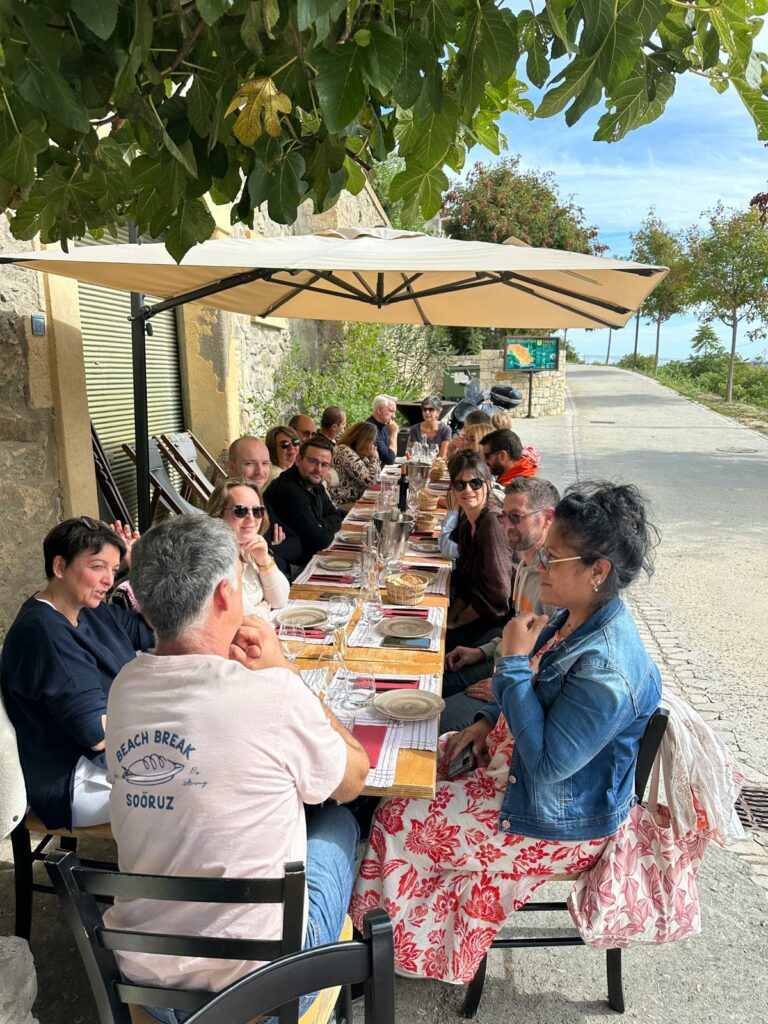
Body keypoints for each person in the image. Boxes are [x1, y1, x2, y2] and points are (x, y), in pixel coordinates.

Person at [351, 480, 662, 985]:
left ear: (597, 571)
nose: (540, 566)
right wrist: (484, 720)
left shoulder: (608, 669)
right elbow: (535, 695)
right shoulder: (575, 616)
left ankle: (378, 963)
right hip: (515, 772)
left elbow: (544, 767)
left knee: (397, 817)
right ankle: (391, 937)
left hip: (559, 821)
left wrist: (513, 664)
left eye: (554, 559)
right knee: (397, 755)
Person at [103, 515, 369, 1019]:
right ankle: (345, 980)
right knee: (338, 819)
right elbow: (354, 779)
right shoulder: (271, 691)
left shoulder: (125, 685)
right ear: (227, 595)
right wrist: (284, 671)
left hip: (148, 979)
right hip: (263, 989)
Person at [0, 518, 154, 829]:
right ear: (60, 567)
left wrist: (142, 570)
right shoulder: (44, 633)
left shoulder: (89, 610)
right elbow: (96, 733)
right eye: (98, 567)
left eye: (114, 569)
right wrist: (161, 716)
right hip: (75, 778)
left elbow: (155, 629)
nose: (109, 581)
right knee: (196, 780)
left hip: (112, 755)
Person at [440, 477, 560, 732]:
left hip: (518, 688)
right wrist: (481, 651)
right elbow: (516, 631)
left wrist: (502, 685)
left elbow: (554, 663)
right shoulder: (528, 567)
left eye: (516, 517)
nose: (506, 525)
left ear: (547, 518)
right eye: (504, 516)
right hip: (500, 664)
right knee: (429, 681)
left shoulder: (553, 581)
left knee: (432, 720)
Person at [445, 452, 513, 650]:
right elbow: (466, 585)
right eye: (460, 484)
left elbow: (498, 595)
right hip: (477, 612)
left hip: (497, 624)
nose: (468, 489)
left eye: (475, 483)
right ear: (453, 490)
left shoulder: (492, 521)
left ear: (488, 484)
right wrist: (449, 619)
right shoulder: (467, 523)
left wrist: (458, 622)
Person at [205, 478, 290, 618]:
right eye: (240, 511)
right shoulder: (215, 559)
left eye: (258, 510)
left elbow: (280, 600)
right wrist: (263, 610)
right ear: (219, 515)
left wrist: (264, 559)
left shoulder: (248, 549)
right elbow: (244, 619)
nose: (251, 518)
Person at [225, 436, 303, 578]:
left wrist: (270, 549)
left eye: (265, 463)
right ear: (231, 467)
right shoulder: (228, 509)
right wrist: (272, 551)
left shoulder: (260, 500)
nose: (259, 472)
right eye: (249, 463)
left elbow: (296, 545)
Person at [265, 437, 345, 565]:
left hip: (310, 557)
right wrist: (325, 525)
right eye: (313, 461)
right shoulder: (289, 490)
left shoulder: (314, 482)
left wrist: (320, 524)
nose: (318, 469)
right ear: (298, 460)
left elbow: (336, 515)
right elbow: (320, 540)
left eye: (324, 465)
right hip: (293, 567)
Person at [329, 421, 380, 507]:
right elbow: (370, 482)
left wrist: (371, 459)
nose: (372, 445)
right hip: (341, 503)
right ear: (364, 440)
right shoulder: (345, 451)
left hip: (354, 500)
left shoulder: (357, 452)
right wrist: (375, 457)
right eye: (371, 441)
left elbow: (376, 477)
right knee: (377, 510)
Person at [367, 394, 398, 466]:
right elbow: (389, 459)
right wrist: (394, 434)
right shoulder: (370, 429)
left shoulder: (384, 427)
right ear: (379, 410)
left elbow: (392, 453)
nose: (394, 416)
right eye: (391, 411)